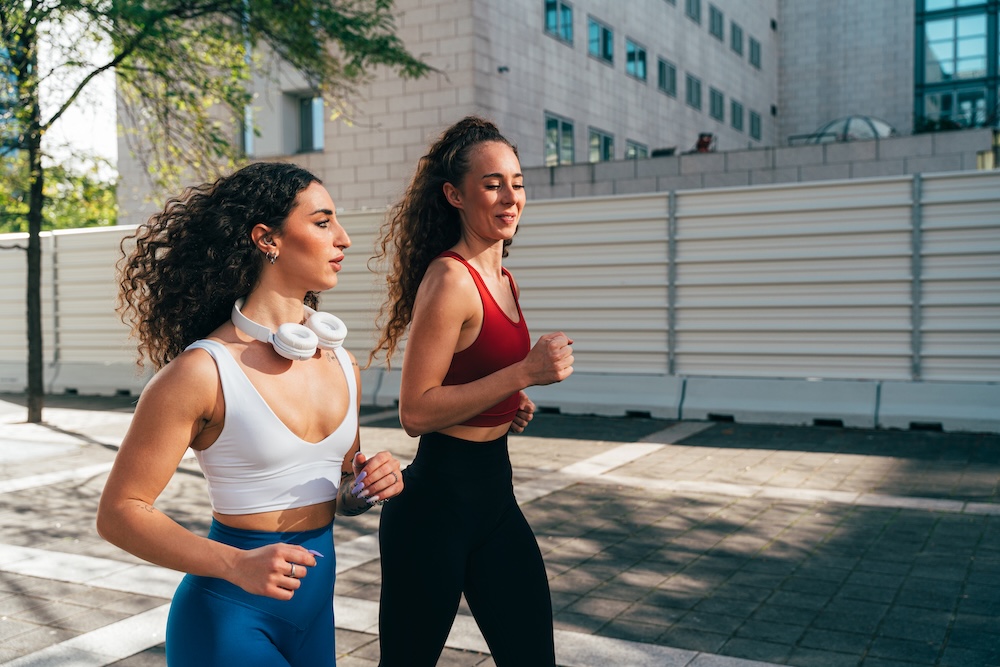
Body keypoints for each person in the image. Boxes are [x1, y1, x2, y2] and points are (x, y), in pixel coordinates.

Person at [97, 162, 403, 666]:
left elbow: (341, 490)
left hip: (312, 622)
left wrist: (367, 485)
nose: (344, 238)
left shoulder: (341, 361)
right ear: (268, 239)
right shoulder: (202, 371)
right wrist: (235, 564)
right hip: (227, 621)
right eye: (323, 222)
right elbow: (119, 513)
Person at [369, 116, 574, 666]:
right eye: (492, 184)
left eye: (518, 182)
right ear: (455, 195)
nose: (511, 197)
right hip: (434, 509)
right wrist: (522, 375)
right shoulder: (449, 278)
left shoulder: (505, 279)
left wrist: (510, 404)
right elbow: (415, 410)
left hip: (495, 499)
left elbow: (470, 374)